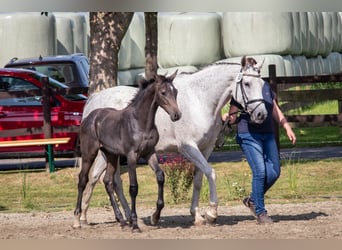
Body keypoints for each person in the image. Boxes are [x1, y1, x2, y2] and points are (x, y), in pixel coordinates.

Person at [222, 58, 296, 224]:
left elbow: (274, 109)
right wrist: (228, 117)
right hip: (248, 133)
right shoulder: (243, 88)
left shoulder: (265, 86)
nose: (254, 70)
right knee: (260, 172)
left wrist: (286, 127)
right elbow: (233, 115)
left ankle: (253, 200)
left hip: (267, 133)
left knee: (275, 172)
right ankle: (261, 213)